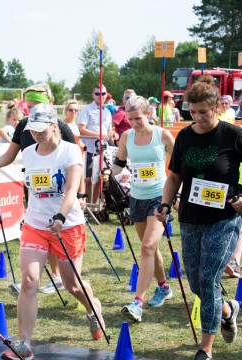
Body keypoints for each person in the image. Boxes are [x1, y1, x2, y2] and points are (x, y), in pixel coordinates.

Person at [0, 103, 105, 360]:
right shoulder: (29, 152)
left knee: (72, 285)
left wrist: (61, 215)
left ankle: (93, 311)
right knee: (28, 282)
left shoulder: (70, 151)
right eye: (32, 130)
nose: (35, 134)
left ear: (54, 127)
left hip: (67, 225)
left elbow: (70, 190)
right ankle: (23, 344)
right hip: (35, 225)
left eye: (40, 130)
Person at [154, 75, 242, 360]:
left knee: (207, 278)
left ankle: (205, 348)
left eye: (203, 112)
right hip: (190, 218)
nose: (198, 117)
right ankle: (227, 311)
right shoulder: (185, 136)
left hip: (224, 219)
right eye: (192, 112)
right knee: (195, 281)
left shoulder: (233, 135)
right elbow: (175, 175)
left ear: (216, 106)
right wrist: (166, 203)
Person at [0, 83, 81, 297]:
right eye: (29, 106)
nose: (32, 111)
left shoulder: (60, 127)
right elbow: (11, 153)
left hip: (60, 195)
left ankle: (59, 278)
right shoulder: (25, 125)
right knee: (42, 233)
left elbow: (74, 163)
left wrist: (79, 195)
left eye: (37, 105)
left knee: (55, 234)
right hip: (36, 190)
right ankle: (40, 278)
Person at [101, 96, 175, 322]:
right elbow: (120, 163)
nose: (134, 123)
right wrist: (108, 173)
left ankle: (137, 303)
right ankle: (163, 287)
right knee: (150, 249)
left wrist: (176, 193)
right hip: (136, 198)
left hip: (159, 198)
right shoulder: (126, 136)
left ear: (148, 114)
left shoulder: (162, 135)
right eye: (130, 119)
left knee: (146, 247)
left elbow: (180, 164)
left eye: (139, 118)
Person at [78, 84, 118, 214]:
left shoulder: (107, 111)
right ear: (93, 95)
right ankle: (86, 206)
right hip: (90, 149)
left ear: (106, 95)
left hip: (104, 150)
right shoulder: (86, 110)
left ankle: (94, 207)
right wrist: (98, 135)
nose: (101, 96)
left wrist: (113, 136)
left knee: (99, 178)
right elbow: (81, 129)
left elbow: (108, 130)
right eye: (97, 94)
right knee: (88, 179)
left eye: (103, 93)